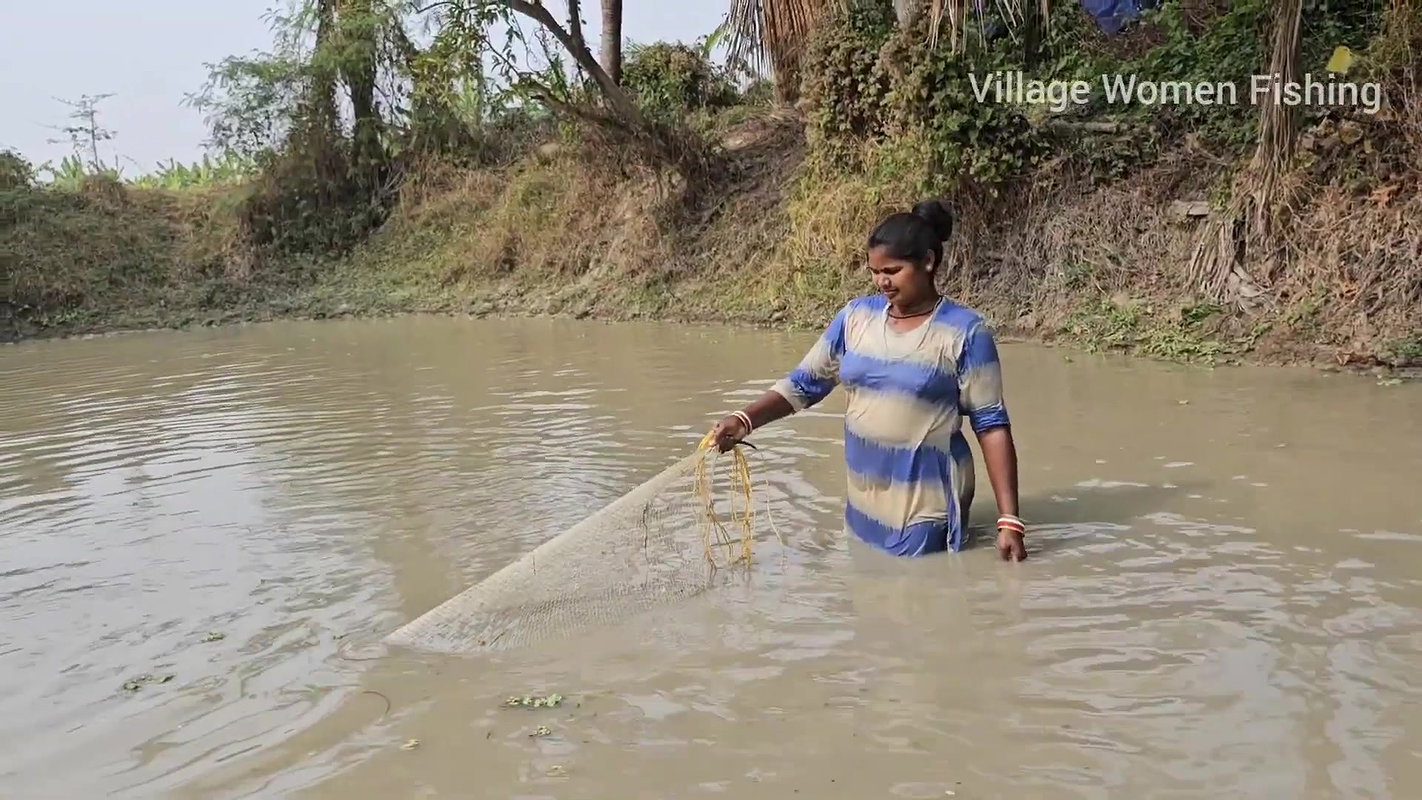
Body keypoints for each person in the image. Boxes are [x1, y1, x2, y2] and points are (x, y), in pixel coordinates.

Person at [709, 199, 1027, 561]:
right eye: (875, 272)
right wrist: (745, 419)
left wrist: (1009, 520)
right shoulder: (855, 318)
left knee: (922, 592)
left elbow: (991, 425)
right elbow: (803, 384)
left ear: (928, 261)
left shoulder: (965, 332)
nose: (882, 282)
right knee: (870, 590)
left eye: (892, 270)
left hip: (926, 503)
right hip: (864, 497)